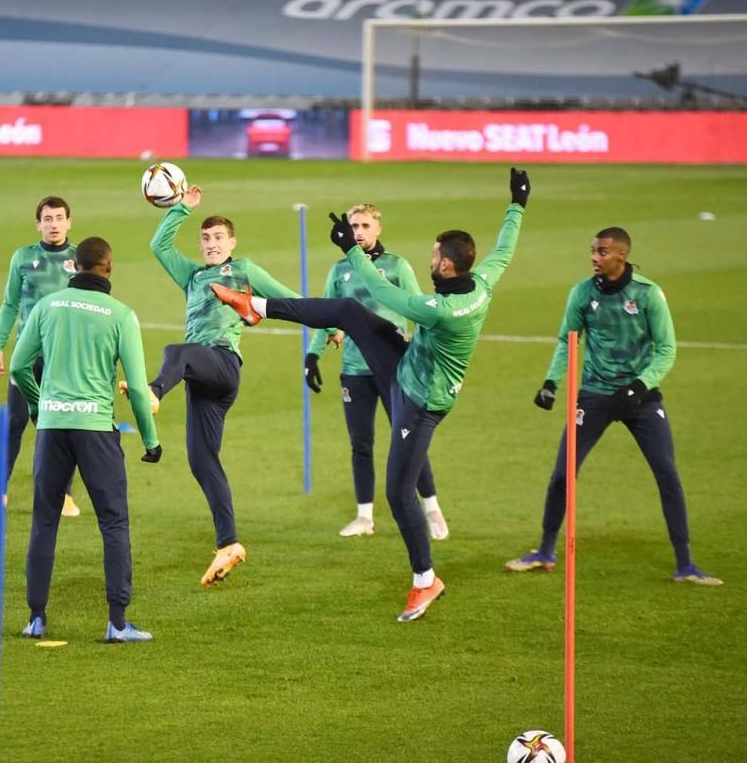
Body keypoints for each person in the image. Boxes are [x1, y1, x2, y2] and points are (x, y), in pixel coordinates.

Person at [213, 168, 530, 621]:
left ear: (444, 266)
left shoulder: (439, 308)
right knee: (348, 310)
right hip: (406, 367)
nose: (429, 256)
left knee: (399, 494)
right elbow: (504, 250)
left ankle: (426, 580)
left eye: (434, 253)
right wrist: (517, 203)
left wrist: (349, 251)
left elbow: (382, 289)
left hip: (422, 401)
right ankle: (255, 305)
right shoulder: (481, 281)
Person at [506, 227, 722, 585]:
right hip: (594, 395)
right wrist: (550, 383)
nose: (594, 257)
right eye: (592, 250)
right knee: (562, 474)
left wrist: (639, 386)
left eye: (602, 251)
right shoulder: (582, 293)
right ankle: (544, 551)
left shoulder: (648, 295)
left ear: (621, 255)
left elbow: (666, 350)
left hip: (641, 398)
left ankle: (685, 564)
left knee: (667, 474)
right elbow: (568, 341)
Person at [147, 185, 313, 587]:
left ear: (232, 242)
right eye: (206, 239)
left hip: (221, 365)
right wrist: (182, 207)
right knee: (202, 462)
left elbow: (291, 300)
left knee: (178, 350)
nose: (211, 244)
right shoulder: (192, 276)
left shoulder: (244, 270)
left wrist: (332, 326)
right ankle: (229, 544)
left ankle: (151, 392)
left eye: (219, 238)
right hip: (198, 383)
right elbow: (158, 245)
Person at [10, 236, 161, 642]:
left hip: (52, 428)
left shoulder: (47, 306)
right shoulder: (120, 315)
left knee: (44, 520)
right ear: (109, 269)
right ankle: (116, 623)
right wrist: (151, 441)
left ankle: (36, 618)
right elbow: (140, 392)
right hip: (96, 430)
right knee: (113, 523)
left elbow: (19, 367)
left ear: (74, 267)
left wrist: (40, 406)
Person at [304, 203, 446, 540]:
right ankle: (364, 517)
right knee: (361, 444)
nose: (359, 231)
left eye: (365, 225)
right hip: (355, 370)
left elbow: (421, 307)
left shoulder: (396, 266)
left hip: (397, 371)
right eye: (354, 225)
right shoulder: (340, 270)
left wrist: (421, 351)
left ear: (378, 229)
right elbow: (325, 312)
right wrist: (312, 355)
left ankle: (432, 508)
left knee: (408, 439)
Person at [0, 196, 81, 518]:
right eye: (47, 219)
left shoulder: (80, 259)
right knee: (14, 423)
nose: (53, 224)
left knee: (62, 423)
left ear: (69, 222)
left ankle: (64, 495)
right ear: (37, 224)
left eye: (59, 218)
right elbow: (10, 303)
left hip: (64, 357)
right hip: (27, 356)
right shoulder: (23, 257)